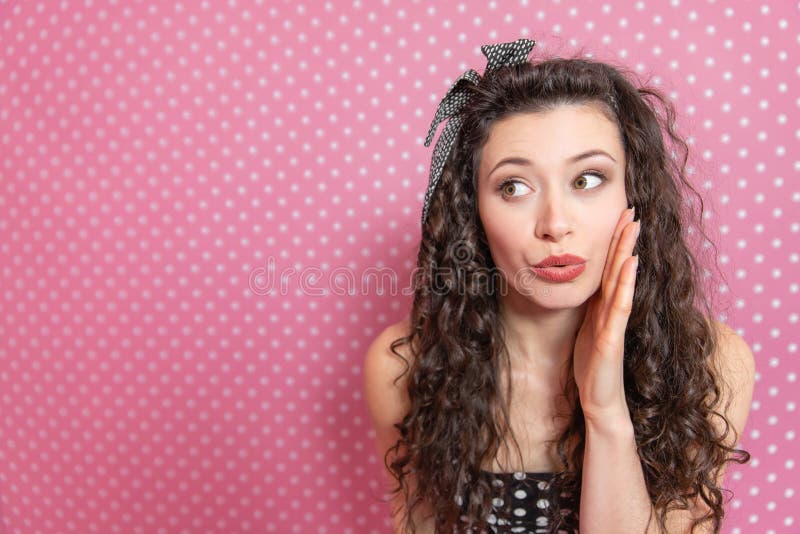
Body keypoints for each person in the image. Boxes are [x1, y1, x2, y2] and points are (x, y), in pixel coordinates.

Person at [363, 38, 755, 534]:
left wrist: (605, 410)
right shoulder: (405, 367)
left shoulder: (712, 366)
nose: (554, 224)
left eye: (588, 179)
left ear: (634, 194)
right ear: (473, 213)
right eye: (514, 187)